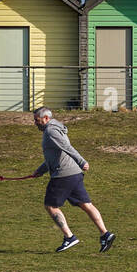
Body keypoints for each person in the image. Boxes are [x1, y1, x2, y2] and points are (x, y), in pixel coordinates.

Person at [29, 107, 116, 253]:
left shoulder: (51, 131)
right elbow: (57, 154)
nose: (35, 123)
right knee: (86, 204)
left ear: (46, 118)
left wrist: (82, 161)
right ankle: (105, 234)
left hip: (63, 175)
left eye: (37, 120)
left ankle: (69, 237)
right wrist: (41, 170)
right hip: (73, 173)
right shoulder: (55, 129)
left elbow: (66, 147)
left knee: (50, 206)